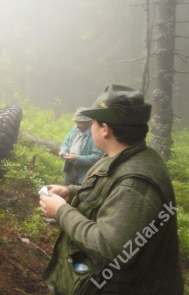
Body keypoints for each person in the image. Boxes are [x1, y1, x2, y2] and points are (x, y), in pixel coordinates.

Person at [40, 84, 184, 295]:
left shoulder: (136, 184)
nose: (91, 128)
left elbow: (109, 247)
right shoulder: (123, 157)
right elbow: (107, 193)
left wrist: (61, 211)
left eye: (94, 124)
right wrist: (71, 192)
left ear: (105, 129)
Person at [59, 107, 103, 186]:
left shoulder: (95, 135)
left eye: (80, 123)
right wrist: (63, 150)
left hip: (85, 174)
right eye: (76, 122)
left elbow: (97, 157)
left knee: (78, 194)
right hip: (71, 170)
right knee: (63, 191)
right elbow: (66, 141)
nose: (77, 125)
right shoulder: (75, 129)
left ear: (89, 122)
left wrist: (76, 158)